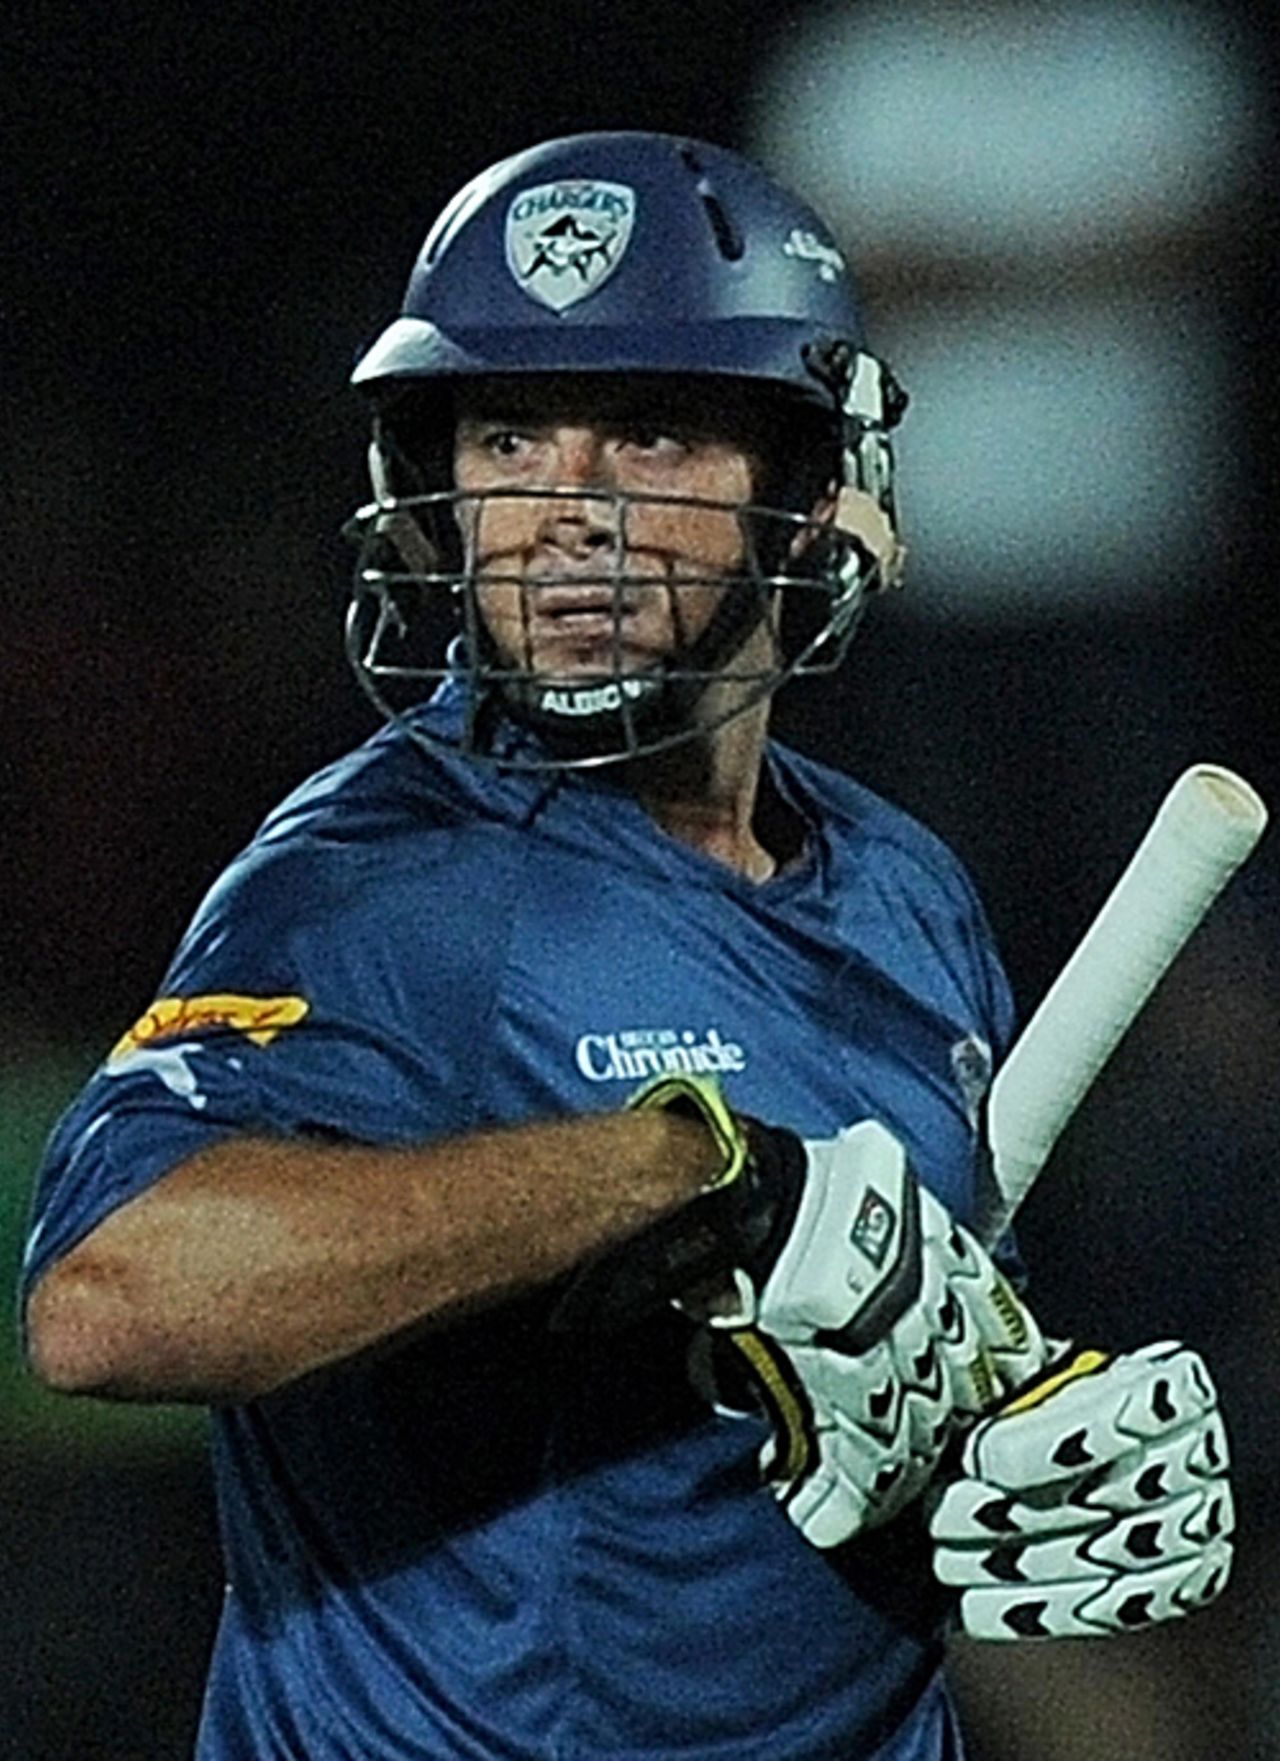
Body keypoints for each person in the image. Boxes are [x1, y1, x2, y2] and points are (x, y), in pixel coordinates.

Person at [21, 133, 1232, 1761]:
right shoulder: (388, 878)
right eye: (510, 433)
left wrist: (1020, 1452)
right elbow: (110, 1298)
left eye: (654, 431)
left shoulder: (902, 884)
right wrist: (684, 1171)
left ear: (816, 487)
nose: (566, 513)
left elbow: (872, 1376)